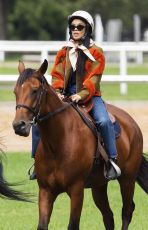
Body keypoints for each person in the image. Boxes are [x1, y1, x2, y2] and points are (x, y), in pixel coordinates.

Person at [30, 10, 121, 181]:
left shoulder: (97, 52)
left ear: (88, 29)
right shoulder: (64, 52)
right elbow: (56, 74)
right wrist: (56, 90)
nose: (75, 29)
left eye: (80, 26)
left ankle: (112, 161)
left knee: (103, 121)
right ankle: (36, 162)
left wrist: (81, 95)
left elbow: (94, 78)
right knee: (38, 122)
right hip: (64, 96)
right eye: (72, 27)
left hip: (90, 95)